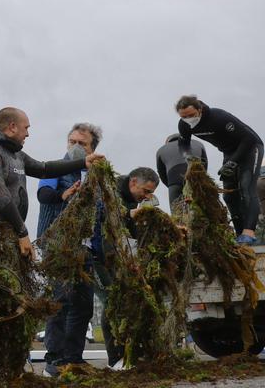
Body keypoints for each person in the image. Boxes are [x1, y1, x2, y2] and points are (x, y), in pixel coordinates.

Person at [0, 107, 104, 259]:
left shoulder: (17, 155)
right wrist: (23, 232)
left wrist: (82, 162)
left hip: (8, 237)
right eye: (26, 128)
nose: (28, 133)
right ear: (13, 127)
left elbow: (44, 169)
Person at [36, 123, 102, 377]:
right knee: (60, 301)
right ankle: (55, 360)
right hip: (58, 244)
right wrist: (64, 194)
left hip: (85, 247)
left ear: (92, 149)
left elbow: (103, 211)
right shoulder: (56, 166)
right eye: (72, 142)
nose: (75, 147)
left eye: (82, 144)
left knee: (83, 305)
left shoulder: (96, 176)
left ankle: (74, 358)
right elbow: (44, 194)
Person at [95, 166, 159, 370]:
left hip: (118, 256)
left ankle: (131, 355)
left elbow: (131, 232)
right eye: (146, 191)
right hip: (95, 254)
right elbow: (105, 219)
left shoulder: (134, 200)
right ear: (133, 182)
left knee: (126, 301)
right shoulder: (109, 190)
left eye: (151, 193)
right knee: (112, 301)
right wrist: (129, 214)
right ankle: (115, 359)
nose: (146, 197)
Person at [175, 95, 263, 243]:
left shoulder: (218, 117)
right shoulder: (184, 125)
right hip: (228, 152)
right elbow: (183, 144)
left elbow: (248, 139)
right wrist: (189, 157)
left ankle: (249, 232)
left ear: (200, 109)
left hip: (250, 148)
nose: (188, 119)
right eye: (184, 117)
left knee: (246, 188)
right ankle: (240, 233)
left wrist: (233, 162)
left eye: (191, 115)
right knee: (229, 195)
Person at [156, 134, 208, 207]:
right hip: (197, 178)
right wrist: (202, 179)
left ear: (167, 142)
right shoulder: (198, 144)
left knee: (177, 213)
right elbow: (204, 163)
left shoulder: (161, 150)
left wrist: (172, 185)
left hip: (174, 180)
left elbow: (162, 173)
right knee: (203, 210)